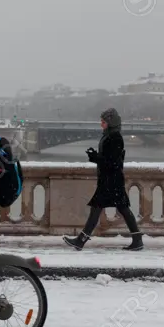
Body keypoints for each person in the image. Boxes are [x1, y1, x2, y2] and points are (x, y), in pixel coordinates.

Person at [63, 107, 143, 251]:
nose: (101, 124)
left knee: (99, 208)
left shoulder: (115, 137)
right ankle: (137, 240)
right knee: (122, 208)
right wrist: (96, 156)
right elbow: (110, 160)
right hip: (111, 178)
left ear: (110, 122)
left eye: (103, 121)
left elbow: (112, 162)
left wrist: (95, 157)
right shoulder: (110, 135)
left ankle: (80, 241)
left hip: (110, 179)